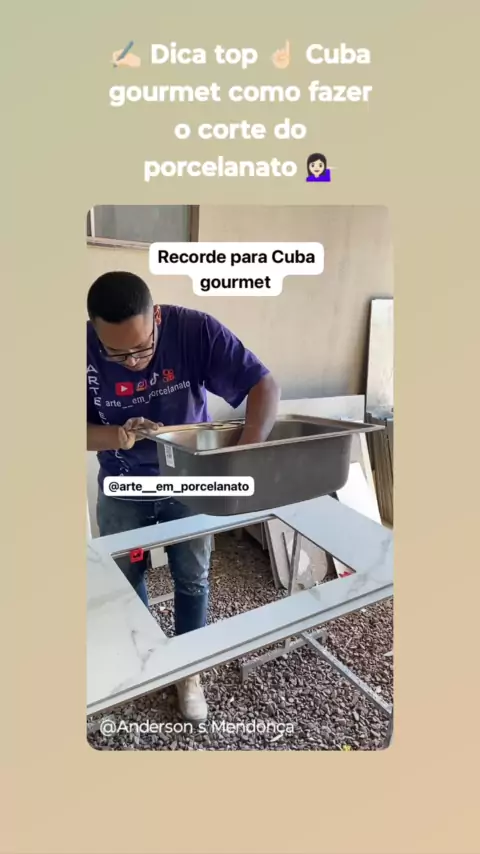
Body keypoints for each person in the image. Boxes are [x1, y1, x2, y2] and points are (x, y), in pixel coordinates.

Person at [86, 271, 280, 722]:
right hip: (123, 485)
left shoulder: (195, 330)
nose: (133, 362)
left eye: (142, 348)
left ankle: (188, 670)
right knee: (125, 578)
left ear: (156, 317)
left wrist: (243, 456)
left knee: (192, 576)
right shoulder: (79, 351)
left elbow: (264, 386)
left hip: (189, 480)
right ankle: (144, 657)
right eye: (117, 353)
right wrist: (117, 435)